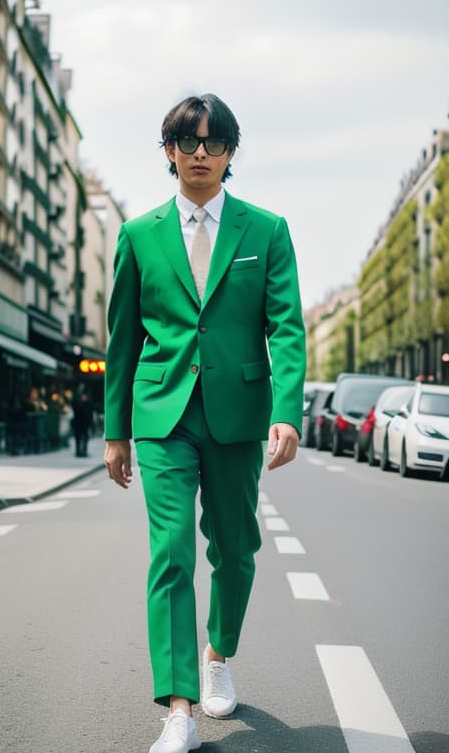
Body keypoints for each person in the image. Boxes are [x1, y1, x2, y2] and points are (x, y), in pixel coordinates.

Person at [104, 93, 305, 753]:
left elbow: (286, 328)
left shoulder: (266, 230)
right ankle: (179, 710)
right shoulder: (137, 235)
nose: (199, 154)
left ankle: (219, 654)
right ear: (168, 151)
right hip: (162, 414)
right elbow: (123, 340)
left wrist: (285, 413)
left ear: (229, 155)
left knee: (236, 550)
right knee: (170, 555)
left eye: (213, 144)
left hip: (238, 417)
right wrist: (115, 431)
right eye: (187, 143)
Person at [71, 386, 93, 457]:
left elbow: (90, 413)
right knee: (78, 438)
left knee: (85, 438)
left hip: (85, 423)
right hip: (78, 423)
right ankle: (78, 451)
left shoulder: (88, 403)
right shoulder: (77, 402)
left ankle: (84, 451)